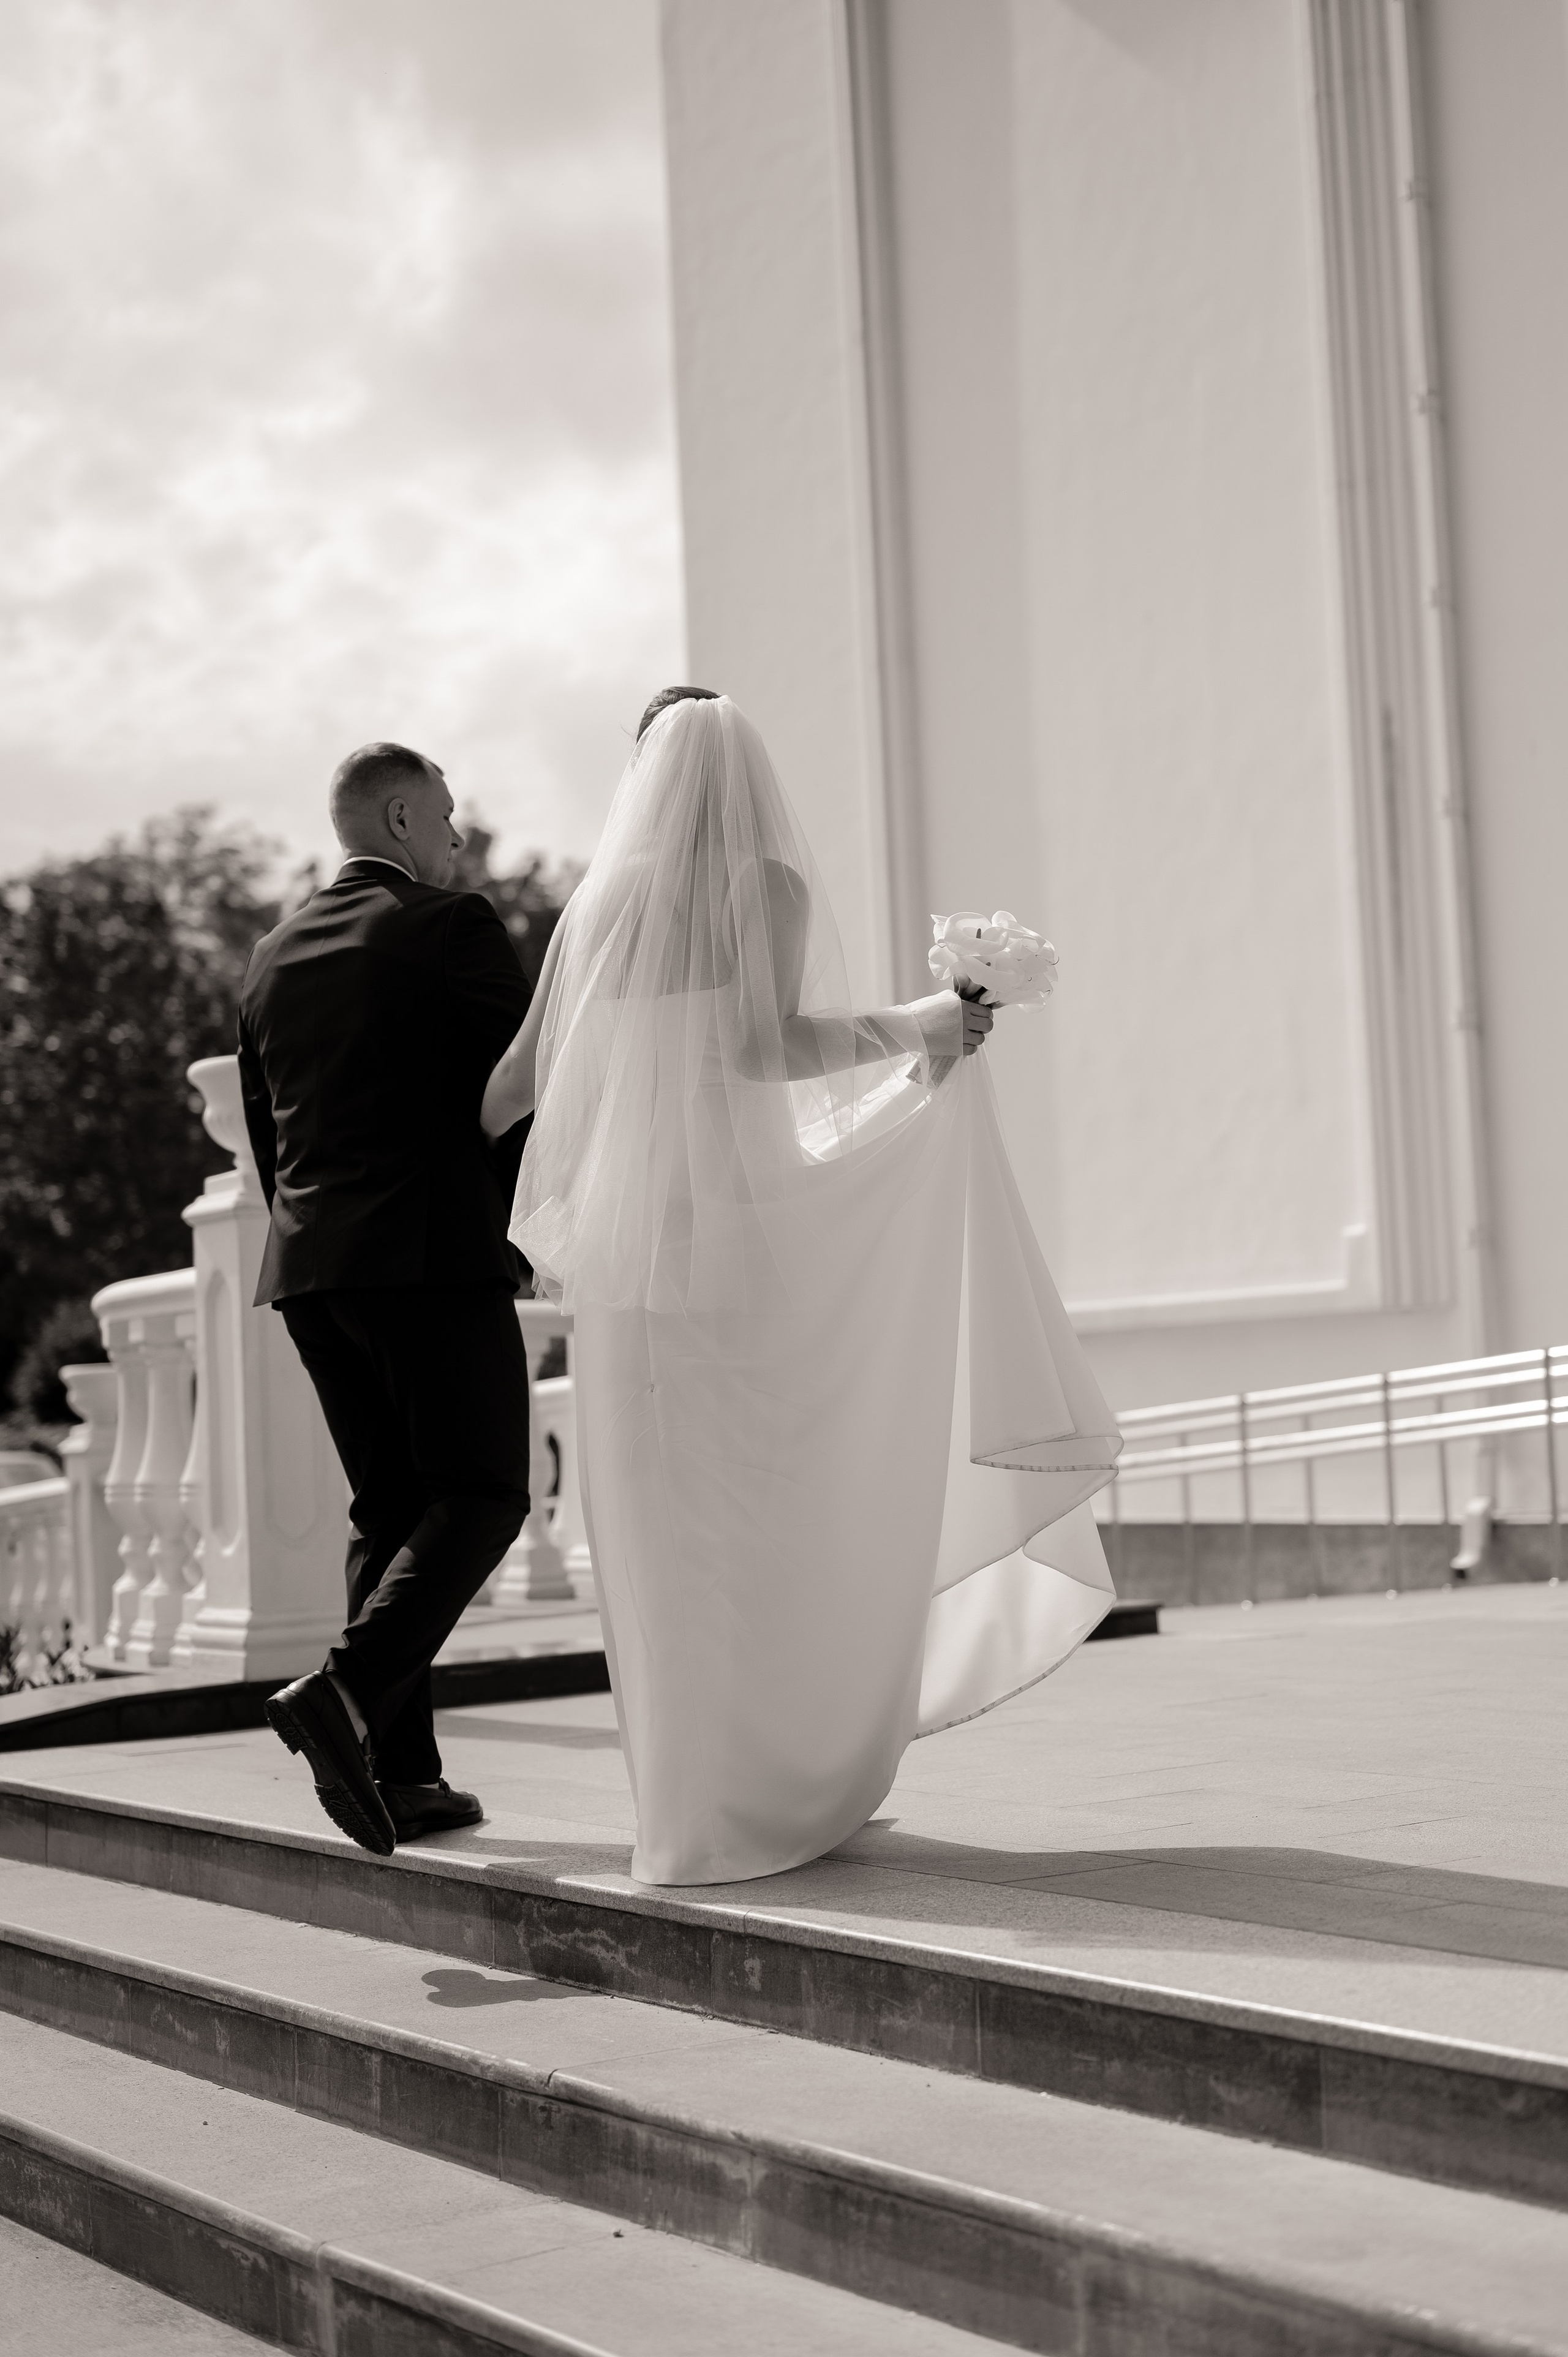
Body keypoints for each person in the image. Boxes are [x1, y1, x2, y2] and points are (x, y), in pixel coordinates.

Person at [481, 690, 1121, 1887]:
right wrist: (917, 1024)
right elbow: (759, 1050)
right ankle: (765, 1786)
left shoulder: (601, 903)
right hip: (730, 1241)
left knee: (656, 1524)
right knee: (758, 1509)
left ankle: (679, 1808)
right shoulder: (758, 884)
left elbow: (514, 1085)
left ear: (641, 776)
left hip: (626, 1267)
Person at [238, 742, 532, 1856]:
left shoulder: (270, 955)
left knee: (389, 1513)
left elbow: (272, 1143)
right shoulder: (451, 929)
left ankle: (404, 1777)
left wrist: (318, 1243)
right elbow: (522, 1088)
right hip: (431, 1259)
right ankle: (344, 1694)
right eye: (449, 818)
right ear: (403, 816)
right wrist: (535, 1227)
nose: (458, 839)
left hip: (315, 1273)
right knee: (484, 1494)